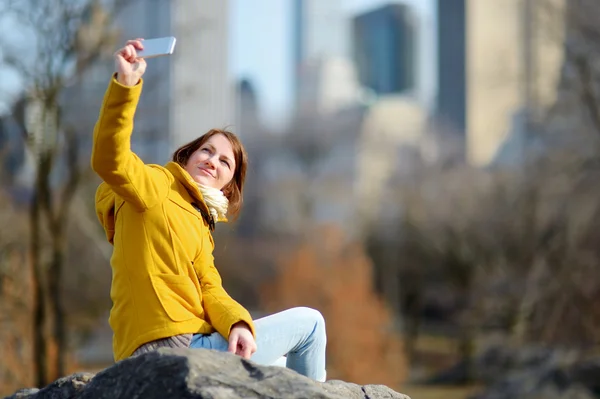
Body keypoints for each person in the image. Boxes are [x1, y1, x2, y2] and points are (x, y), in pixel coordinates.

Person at [91, 39, 327, 381]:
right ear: (187, 156)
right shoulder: (157, 185)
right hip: (171, 345)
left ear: (228, 186)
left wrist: (238, 325)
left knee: (278, 371)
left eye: (224, 161)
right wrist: (125, 86)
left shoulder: (199, 224)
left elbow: (210, 290)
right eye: (207, 150)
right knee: (311, 325)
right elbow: (109, 159)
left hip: (177, 343)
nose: (212, 161)